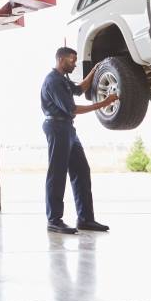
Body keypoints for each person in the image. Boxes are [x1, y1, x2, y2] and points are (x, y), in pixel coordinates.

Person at [41, 47, 117, 234]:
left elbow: (79, 89)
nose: (74, 64)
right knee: (57, 174)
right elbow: (72, 109)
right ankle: (54, 220)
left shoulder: (62, 79)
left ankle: (85, 219)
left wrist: (94, 71)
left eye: (75, 60)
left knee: (81, 170)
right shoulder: (53, 81)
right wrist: (104, 103)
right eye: (72, 60)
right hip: (57, 127)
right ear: (60, 59)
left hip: (68, 128)